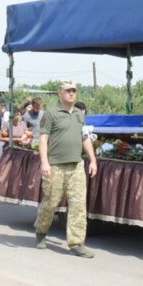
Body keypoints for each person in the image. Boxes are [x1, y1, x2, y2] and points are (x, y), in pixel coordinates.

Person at [33, 81, 97, 258]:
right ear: (60, 93)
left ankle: (77, 243)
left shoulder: (78, 114)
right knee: (51, 202)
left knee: (78, 205)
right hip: (56, 166)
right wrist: (44, 163)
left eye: (74, 90)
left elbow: (85, 138)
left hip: (76, 165)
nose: (71, 93)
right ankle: (41, 231)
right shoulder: (51, 113)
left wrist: (93, 160)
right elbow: (43, 139)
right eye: (68, 90)